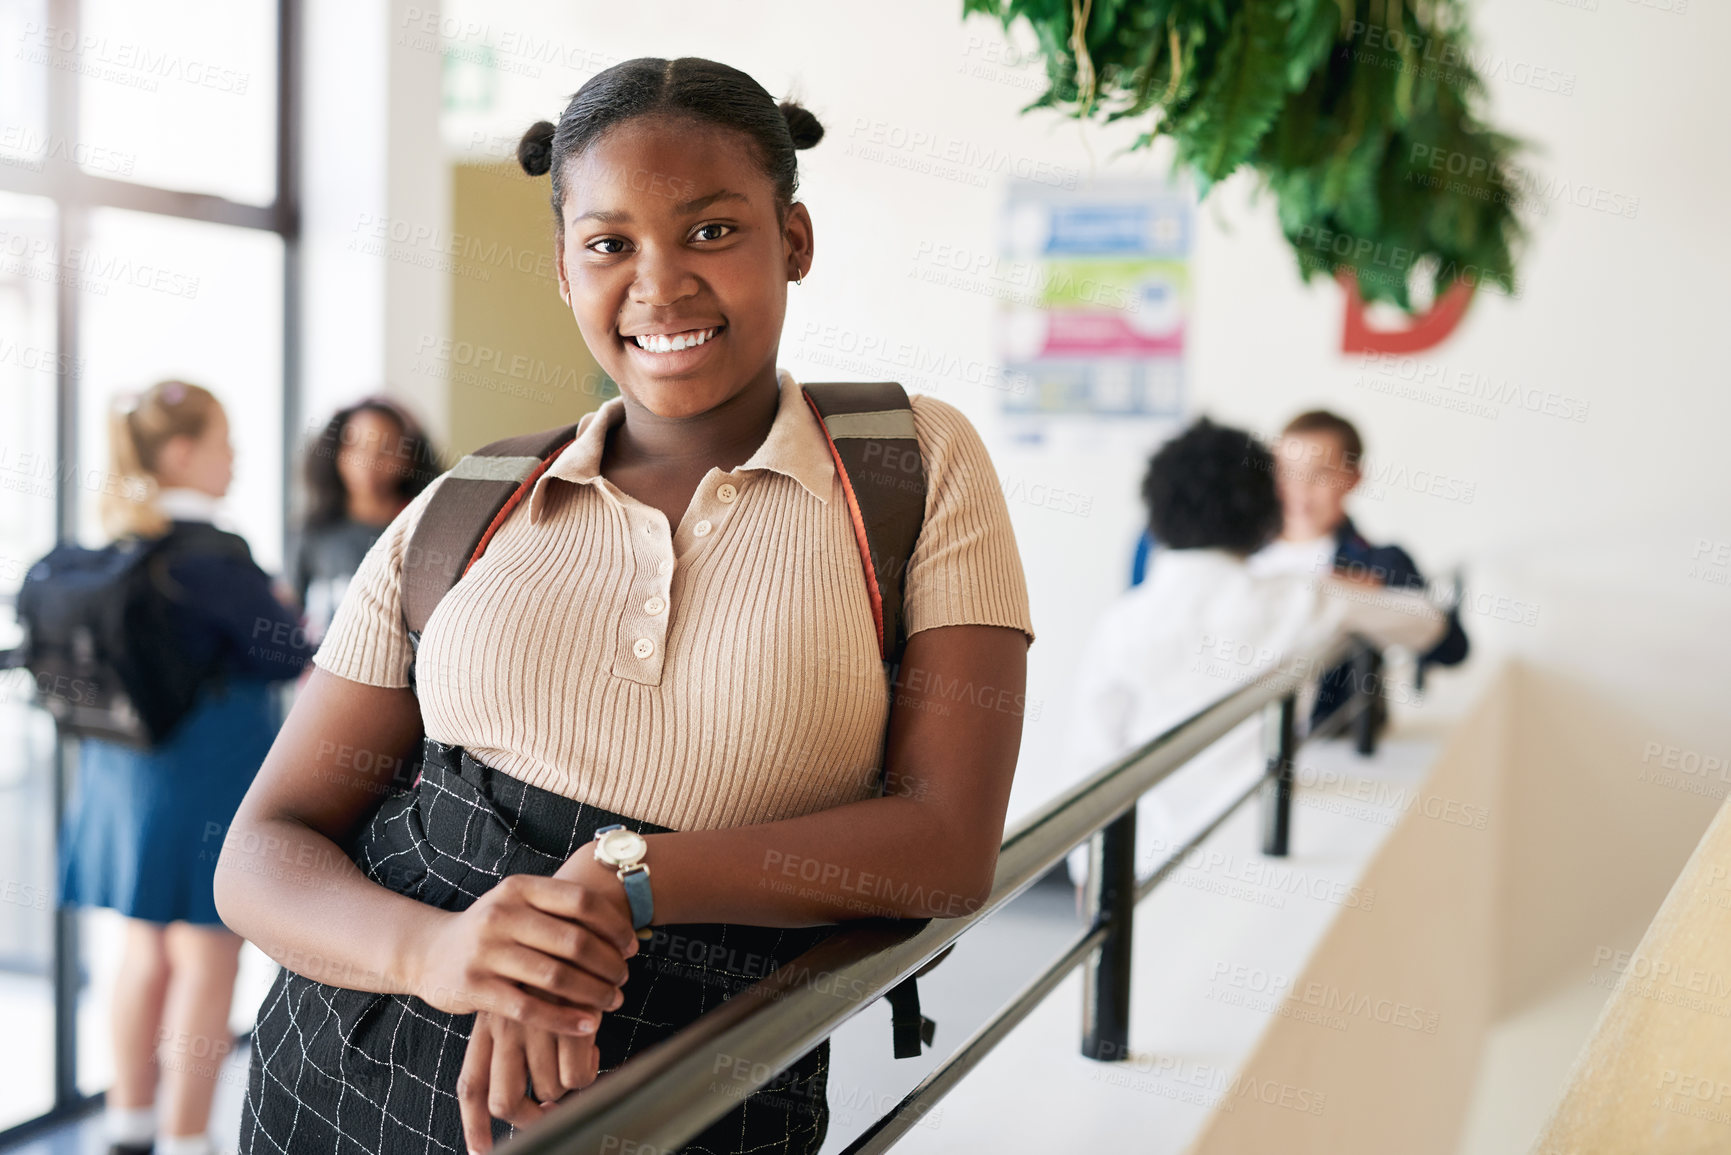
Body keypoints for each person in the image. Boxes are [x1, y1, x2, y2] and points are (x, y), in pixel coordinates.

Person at [215, 57, 1034, 1155]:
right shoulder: (470, 500)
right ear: (563, 269)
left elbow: (947, 841)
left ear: (793, 240)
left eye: (710, 232)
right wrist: (438, 954)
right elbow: (261, 851)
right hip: (353, 1062)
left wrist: (624, 877)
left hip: (696, 1072)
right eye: (609, 244)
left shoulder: (908, 464)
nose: (660, 285)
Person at [56, 381, 314, 1155]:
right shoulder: (214, 555)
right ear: (180, 452)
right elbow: (290, 654)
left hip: (122, 773)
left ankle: (129, 1120)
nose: (233, 458)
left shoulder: (114, 545)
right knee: (208, 954)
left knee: (142, 948)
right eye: (222, 441)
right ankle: (187, 1137)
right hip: (205, 770)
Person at [1065, 418, 1446, 883]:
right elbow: (1428, 624)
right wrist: (1355, 593)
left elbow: (1091, 758)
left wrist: (1088, 875)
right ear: (1264, 508)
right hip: (1256, 845)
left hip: (1137, 857)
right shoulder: (1304, 597)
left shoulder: (1121, 622)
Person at [1250, 409, 1468, 726]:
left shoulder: (1381, 563)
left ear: (1353, 478)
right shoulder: (1238, 556)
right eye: (1286, 471)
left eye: (1320, 473)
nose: (1300, 488)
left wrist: (1371, 603)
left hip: (1328, 744)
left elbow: (1452, 648)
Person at [289, 397, 440, 642]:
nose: (369, 461)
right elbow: (293, 607)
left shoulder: (425, 530)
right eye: (355, 447)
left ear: (410, 459)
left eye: (386, 449)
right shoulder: (312, 532)